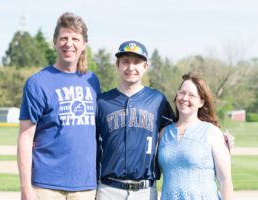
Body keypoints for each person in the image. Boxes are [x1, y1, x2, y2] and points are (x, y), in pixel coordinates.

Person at [17, 12, 100, 200]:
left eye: (75, 38)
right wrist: (26, 189)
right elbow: (25, 137)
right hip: (46, 186)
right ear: (55, 42)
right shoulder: (38, 83)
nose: (69, 44)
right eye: (63, 38)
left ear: (84, 44)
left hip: (85, 186)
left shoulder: (92, 81)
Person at [96, 40, 175, 200]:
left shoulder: (157, 100)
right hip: (108, 189)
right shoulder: (102, 101)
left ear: (145, 66)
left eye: (137, 62)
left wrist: (216, 135)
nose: (131, 67)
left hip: (145, 191)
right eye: (125, 61)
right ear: (117, 65)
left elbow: (179, 131)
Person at [158, 72, 233, 200]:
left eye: (191, 95)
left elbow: (225, 180)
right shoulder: (164, 133)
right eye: (182, 93)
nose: (185, 98)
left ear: (201, 102)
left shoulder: (212, 132)